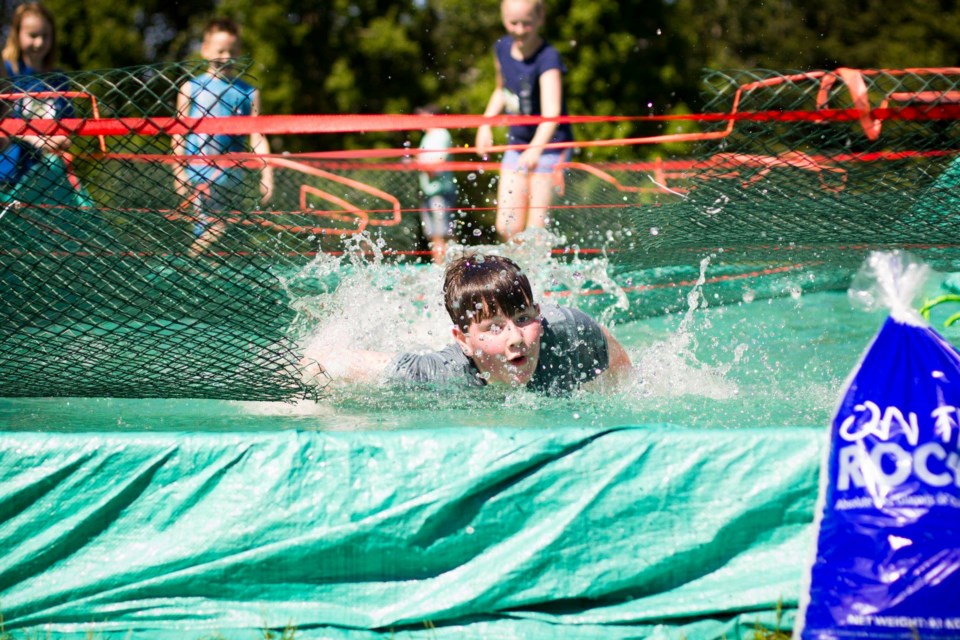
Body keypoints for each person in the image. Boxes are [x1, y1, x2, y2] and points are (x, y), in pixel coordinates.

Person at [301, 254, 632, 396]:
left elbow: (619, 364)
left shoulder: (568, 332)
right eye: (493, 327)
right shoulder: (440, 373)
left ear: (538, 313)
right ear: (463, 340)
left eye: (522, 319)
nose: (516, 338)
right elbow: (328, 361)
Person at [172, 17, 273, 258]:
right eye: (220, 51)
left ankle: (202, 269)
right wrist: (178, 172)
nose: (226, 57)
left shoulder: (248, 92)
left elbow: (257, 135)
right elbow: (178, 133)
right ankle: (189, 262)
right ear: (205, 50)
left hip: (234, 178)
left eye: (232, 51)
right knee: (214, 228)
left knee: (229, 238)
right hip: (199, 176)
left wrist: (267, 173)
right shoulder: (190, 88)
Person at [475, 0, 574, 242]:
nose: (519, 30)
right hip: (518, 143)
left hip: (551, 146)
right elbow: (501, 90)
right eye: (513, 22)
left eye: (527, 23)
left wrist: (535, 149)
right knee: (507, 225)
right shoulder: (501, 48)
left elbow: (552, 114)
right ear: (503, 17)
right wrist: (485, 124)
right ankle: (515, 277)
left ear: (540, 19)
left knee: (535, 231)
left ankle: (535, 275)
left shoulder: (548, 57)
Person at [0, 1, 72, 187]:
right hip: (7, 174)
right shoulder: (6, 73)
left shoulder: (59, 80)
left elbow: (68, 124)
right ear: (17, 34)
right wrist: (35, 139)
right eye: (32, 35)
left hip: (48, 178)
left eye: (45, 36)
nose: (39, 42)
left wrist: (60, 141)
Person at [416, 104, 458, 264]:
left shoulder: (441, 134)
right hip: (429, 190)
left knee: (443, 233)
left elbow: (436, 162)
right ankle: (440, 267)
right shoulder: (427, 136)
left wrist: (420, 164)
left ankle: (451, 267)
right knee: (434, 234)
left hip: (440, 190)